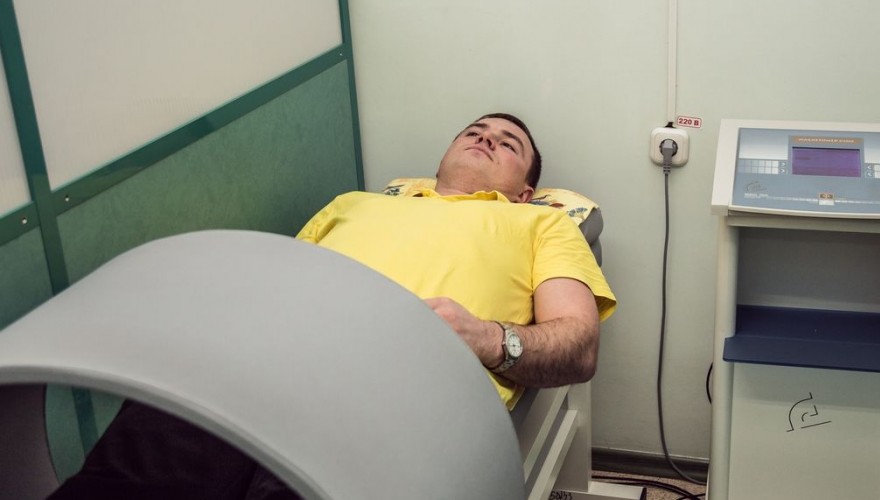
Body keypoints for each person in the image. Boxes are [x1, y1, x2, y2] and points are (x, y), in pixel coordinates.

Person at [48, 112, 615, 499]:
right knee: (133, 475)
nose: (486, 139)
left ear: (526, 192)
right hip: (256, 365)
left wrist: (488, 338)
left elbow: (578, 344)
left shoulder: (540, 224)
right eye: (475, 130)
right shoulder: (355, 203)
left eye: (508, 143)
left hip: (398, 397)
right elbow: (280, 279)